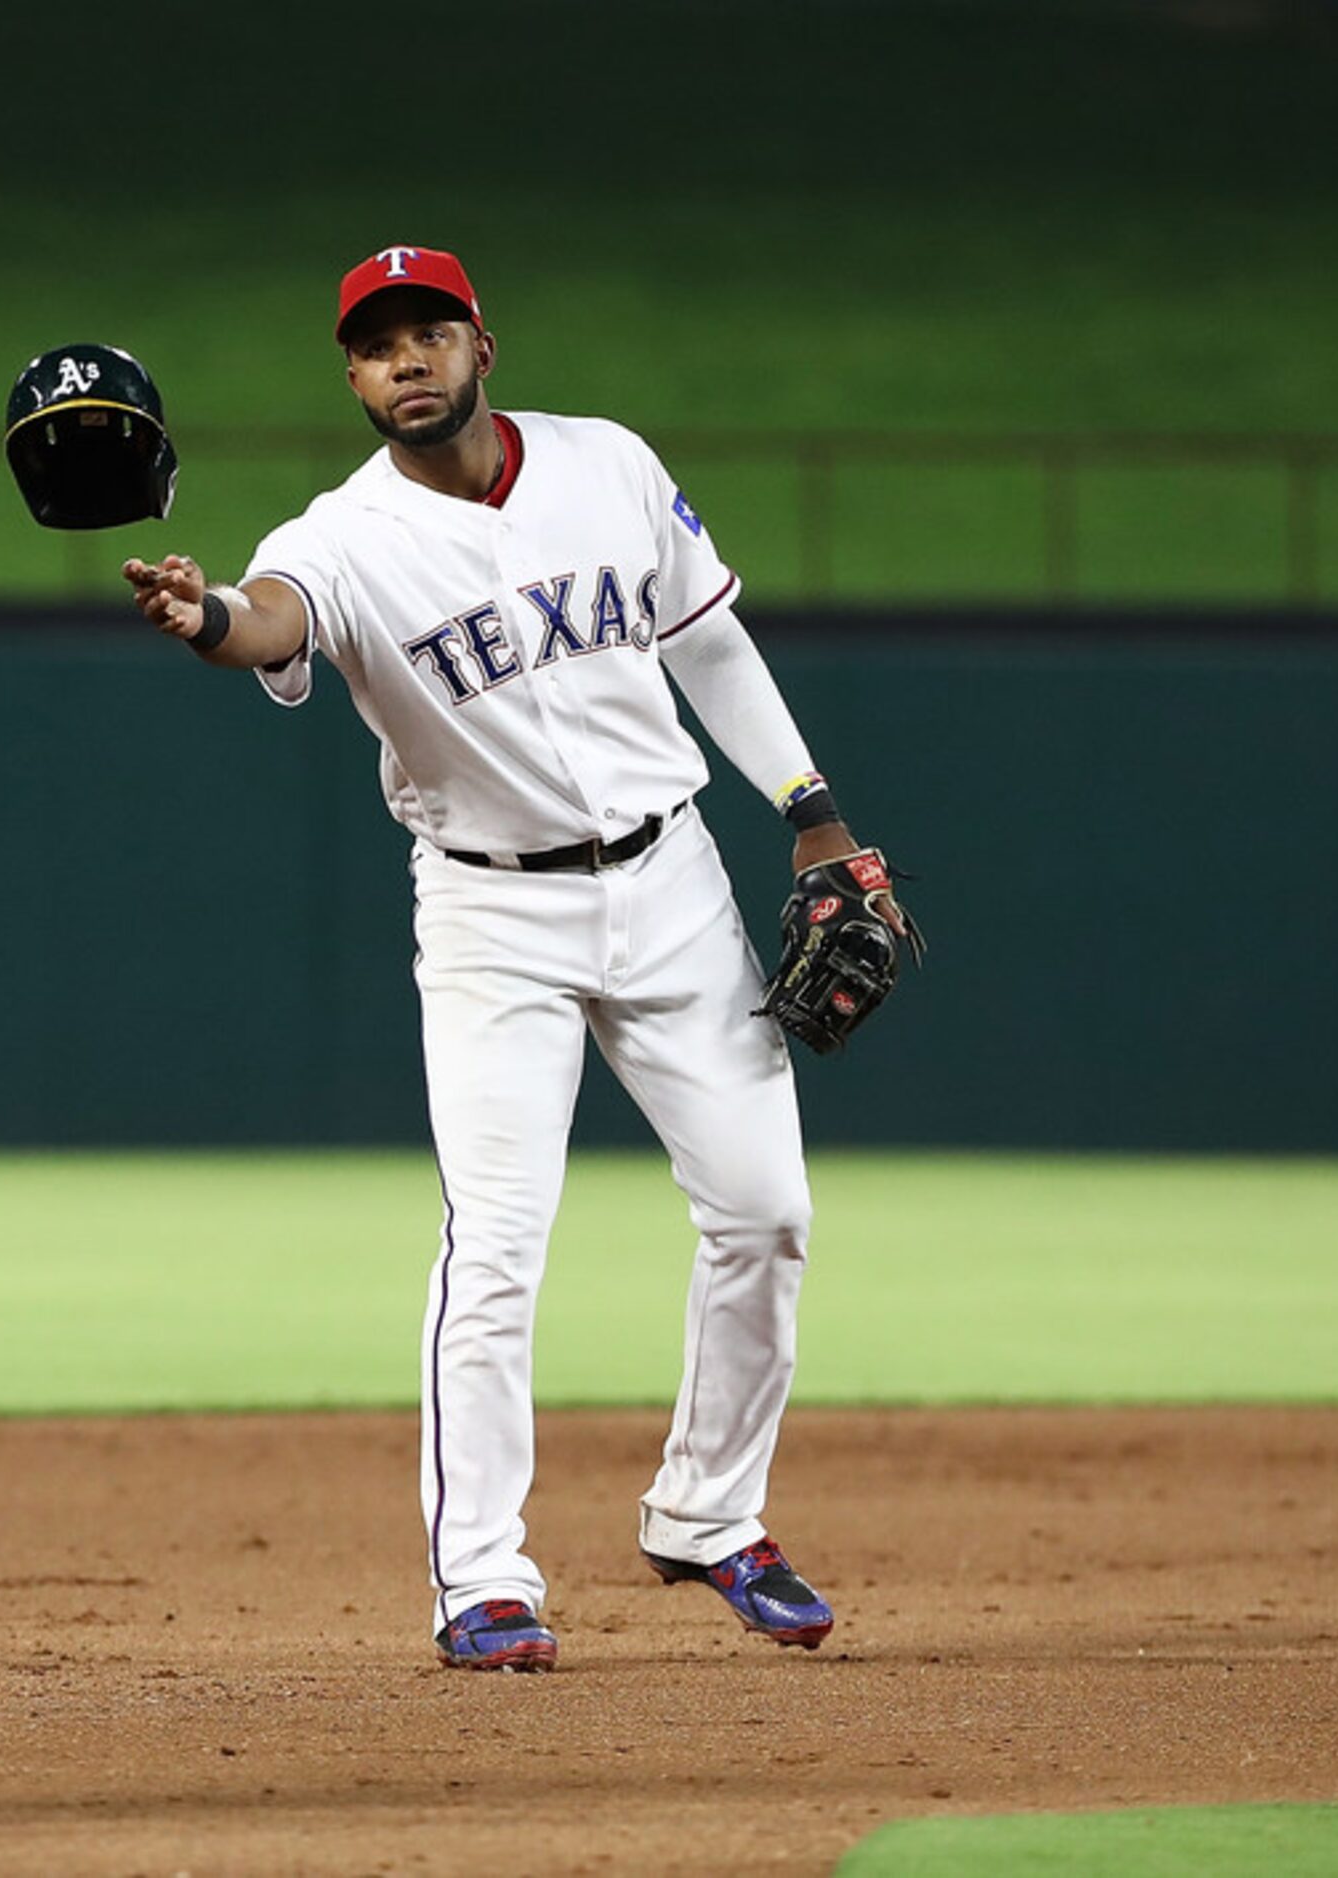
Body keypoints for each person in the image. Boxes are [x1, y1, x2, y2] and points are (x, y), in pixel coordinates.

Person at [125, 246, 898, 1673]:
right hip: (492, 916)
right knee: (495, 1245)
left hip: (671, 880)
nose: (405, 359)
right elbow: (272, 617)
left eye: (429, 331)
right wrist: (207, 619)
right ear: (352, 379)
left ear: (487, 344)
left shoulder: (606, 465)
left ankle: (712, 1512)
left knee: (767, 1210)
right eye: (376, 345)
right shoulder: (342, 537)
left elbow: (710, 645)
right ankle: (481, 1576)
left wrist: (814, 816)